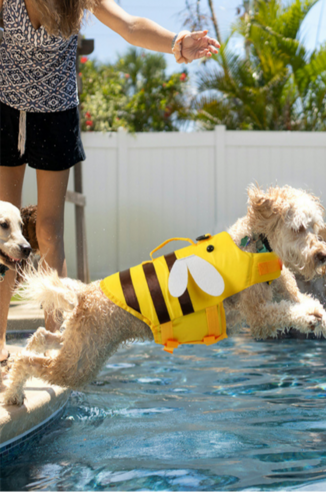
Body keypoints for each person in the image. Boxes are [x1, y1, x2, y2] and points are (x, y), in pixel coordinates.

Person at [0, 0, 220, 367]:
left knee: (50, 232)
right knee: (3, 236)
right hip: (8, 109)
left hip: (56, 114)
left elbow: (130, 25)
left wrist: (176, 42)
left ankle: (58, 340)